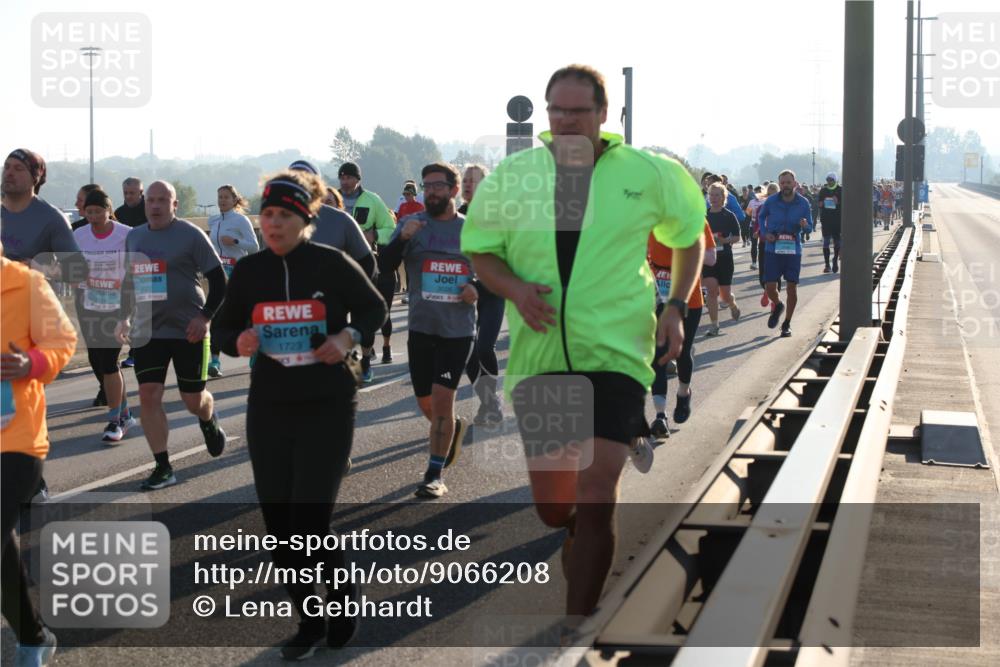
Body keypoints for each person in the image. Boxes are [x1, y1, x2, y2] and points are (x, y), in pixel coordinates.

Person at [462, 65, 706, 618]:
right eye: (556, 110)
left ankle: (576, 634)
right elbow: (480, 250)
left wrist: (674, 306)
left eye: (577, 110)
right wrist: (517, 289)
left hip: (617, 354)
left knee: (597, 492)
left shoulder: (647, 173)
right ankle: (571, 531)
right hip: (542, 356)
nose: (566, 120)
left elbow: (688, 238)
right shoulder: (516, 175)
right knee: (555, 509)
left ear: (604, 115)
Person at [212, 170, 386, 659]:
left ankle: (343, 594)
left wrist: (346, 338)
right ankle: (309, 620)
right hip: (269, 407)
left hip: (328, 405)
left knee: (309, 521)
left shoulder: (330, 264)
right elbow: (224, 326)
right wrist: (237, 341)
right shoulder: (250, 272)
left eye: (284, 215)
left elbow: (374, 309)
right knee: (278, 527)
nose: (273, 223)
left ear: (304, 219)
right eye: (267, 214)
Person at [115, 181, 228, 490]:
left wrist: (204, 318)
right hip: (148, 330)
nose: (155, 205)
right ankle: (163, 465)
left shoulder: (190, 234)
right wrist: (123, 318)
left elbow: (219, 283)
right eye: (150, 199)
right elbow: (128, 284)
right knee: (149, 395)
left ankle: (207, 418)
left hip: (188, 329)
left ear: (174, 204)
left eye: (162, 200)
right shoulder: (134, 237)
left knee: (192, 400)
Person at [380, 162, 477, 498]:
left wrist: (476, 285)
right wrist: (400, 241)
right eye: (426, 186)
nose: (431, 191)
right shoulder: (410, 224)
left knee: (441, 399)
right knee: (426, 403)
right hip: (422, 327)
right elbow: (384, 266)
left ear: (453, 190)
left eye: (437, 185)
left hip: (458, 329)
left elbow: (496, 270)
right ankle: (454, 427)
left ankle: (434, 473)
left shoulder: (472, 229)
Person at [1, 241, 77, 667]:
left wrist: (30, 363)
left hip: (17, 438)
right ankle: (33, 635)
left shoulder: (25, 283)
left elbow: (63, 342)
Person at [73, 189, 137, 442]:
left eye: (98, 211)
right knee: (98, 362)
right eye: (89, 212)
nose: (93, 217)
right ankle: (125, 413)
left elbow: (134, 273)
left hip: (118, 305)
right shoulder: (78, 234)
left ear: (109, 211)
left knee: (110, 362)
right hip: (88, 305)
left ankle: (114, 421)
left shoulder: (126, 234)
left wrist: (128, 313)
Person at [648, 222, 716, 438]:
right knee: (658, 354)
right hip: (657, 296)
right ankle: (660, 416)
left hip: (689, 297)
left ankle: (683, 392)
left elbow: (711, 258)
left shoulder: (694, 220)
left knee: (683, 350)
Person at [338, 161, 396, 380]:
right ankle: (351, 368)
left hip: (363, 266)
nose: (345, 182)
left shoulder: (372, 200)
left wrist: (375, 236)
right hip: (337, 268)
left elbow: (390, 228)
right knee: (337, 320)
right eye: (342, 178)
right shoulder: (332, 200)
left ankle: (365, 362)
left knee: (362, 316)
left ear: (358, 179)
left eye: (349, 178)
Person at [458, 164, 504, 425]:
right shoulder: (457, 215)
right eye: (464, 180)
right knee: (468, 353)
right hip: (463, 292)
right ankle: (489, 403)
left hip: (491, 290)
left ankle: (491, 403)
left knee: (484, 346)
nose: (467, 184)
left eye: (472, 181)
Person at [206, 184, 259, 377]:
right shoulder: (213, 221)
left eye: (226, 197)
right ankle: (215, 361)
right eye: (219, 197)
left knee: (245, 316)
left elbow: (254, 246)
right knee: (215, 315)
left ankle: (255, 351)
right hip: (218, 274)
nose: (222, 200)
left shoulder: (241, 220)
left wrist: (235, 242)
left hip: (238, 274)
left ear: (234, 200)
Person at [289, 161, 375, 280]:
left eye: (306, 182)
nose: (300, 188)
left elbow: (368, 264)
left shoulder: (342, 220)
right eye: (293, 182)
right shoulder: (275, 221)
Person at [759, 170, 813, 338]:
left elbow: (810, 227)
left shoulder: (803, 203)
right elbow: (761, 217)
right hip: (773, 248)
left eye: (788, 182)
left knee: (792, 287)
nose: (785, 186)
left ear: (794, 183)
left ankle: (787, 323)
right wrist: (765, 232)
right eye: (782, 183)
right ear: (779, 184)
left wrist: (805, 225)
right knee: (769, 286)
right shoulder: (771, 201)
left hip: (792, 249)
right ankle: (778, 304)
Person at [702, 183, 742, 336]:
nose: (714, 198)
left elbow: (737, 237)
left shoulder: (729, 215)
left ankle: (732, 305)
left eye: (717, 195)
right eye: (711, 195)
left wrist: (724, 241)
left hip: (725, 258)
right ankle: (714, 325)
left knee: (725, 295)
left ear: (723, 197)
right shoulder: (703, 216)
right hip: (708, 259)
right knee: (711, 291)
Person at [816, 171, 843, 273]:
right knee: (826, 242)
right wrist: (821, 203)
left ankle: (835, 260)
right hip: (826, 219)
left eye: (831, 180)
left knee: (837, 242)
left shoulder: (840, 190)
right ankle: (827, 264)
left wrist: (838, 202)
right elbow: (819, 203)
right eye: (828, 180)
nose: (829, 182)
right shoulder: (823, 190)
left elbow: (845, 203)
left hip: (837, 220)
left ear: (835, 180)